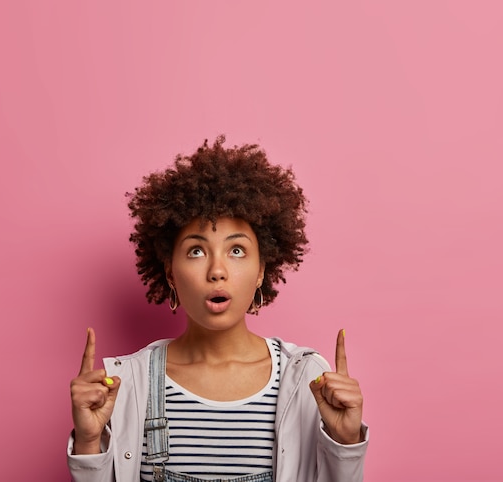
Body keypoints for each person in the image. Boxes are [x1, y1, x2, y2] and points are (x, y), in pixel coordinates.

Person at [68, 137, 368, 482]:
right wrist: (90, 443)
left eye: (237, 250)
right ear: (170, 273)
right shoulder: (126, 384)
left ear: (260, 271)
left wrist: (345, 443)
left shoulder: (305, 378)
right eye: (196, 251)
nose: (217, 270)